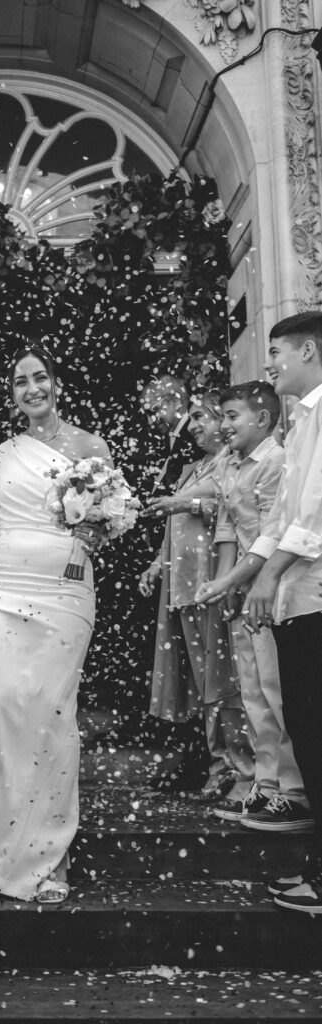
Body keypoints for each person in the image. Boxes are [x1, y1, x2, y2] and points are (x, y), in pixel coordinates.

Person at [0, 345, 111, 903]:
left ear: (57, 383)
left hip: (64, 592)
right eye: (20, 382)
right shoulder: (0, 454)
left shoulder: (91, 447)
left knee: (49, 713)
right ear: (11, 394)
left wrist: (100, 528)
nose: (31, 388)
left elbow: (114, 519)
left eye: (40, 378)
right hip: (1, 585)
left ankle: (47, 852)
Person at [195, 313, 322, 914]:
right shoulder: (300, 423)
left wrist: (265, 576)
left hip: (316, 591)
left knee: (313, 725)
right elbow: (277, 522)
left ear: (308, 349)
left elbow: (314, 515)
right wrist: (246, 578)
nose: (269, 364)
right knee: (300, 714)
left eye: (275, 352)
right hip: (293, 594)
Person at [196, 381, 309, 827]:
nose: (224, 426)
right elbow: (228, 529)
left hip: (269, 590)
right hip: (243, 590)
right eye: (221, 417)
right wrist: (223, 585)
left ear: (262, 419)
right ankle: (265, 784)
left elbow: (271, 533)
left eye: (231, 416)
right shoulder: (232, 465)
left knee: (276, 689)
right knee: (252, 690)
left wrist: (239, 582)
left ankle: (293, 789)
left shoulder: (275, 462)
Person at [139, 391, 254, 802]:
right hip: (183, 586)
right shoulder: (194, 467)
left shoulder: (231, 464)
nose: (197, 426)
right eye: (195, 418)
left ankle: (244, 767)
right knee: (204, 683)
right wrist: (156, 563)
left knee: (224, 682)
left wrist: (180, 502)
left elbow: (223, 507)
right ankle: (219, 763)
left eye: (201, 417)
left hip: (212, 583)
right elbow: (177, 523)